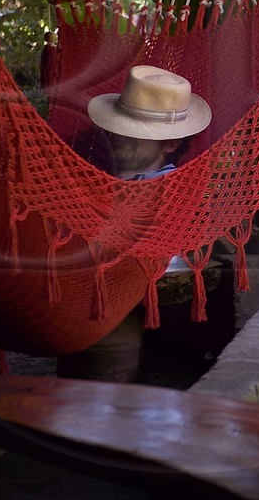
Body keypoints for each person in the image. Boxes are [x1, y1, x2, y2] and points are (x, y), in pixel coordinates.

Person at [57, 65, 212, 380]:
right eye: (121, 127)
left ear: (170, 143)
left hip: (122, 288)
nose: (120, 136)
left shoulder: (173, 192)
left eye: (137, 131)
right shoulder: (94, 180)